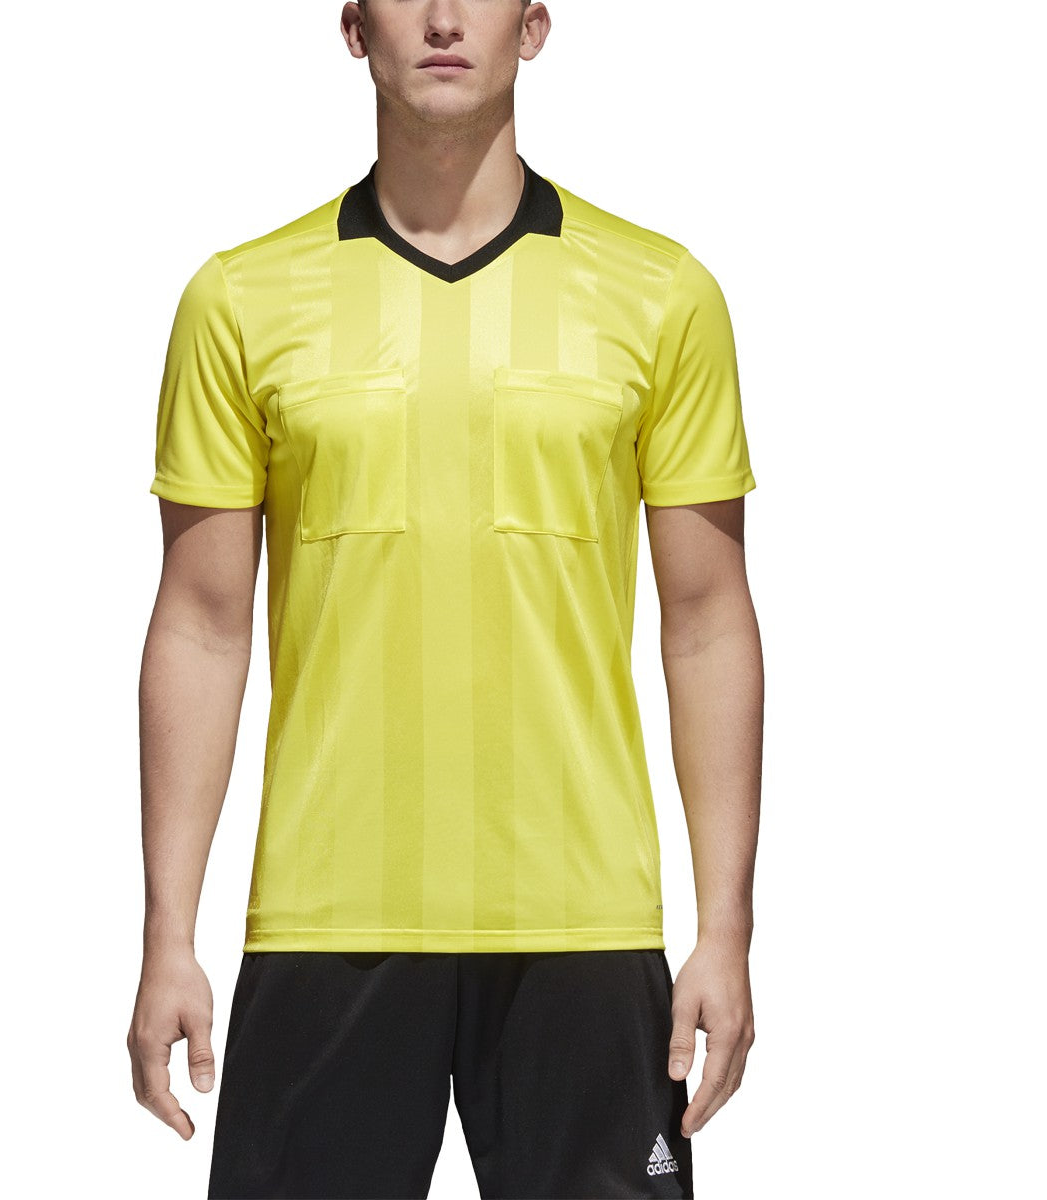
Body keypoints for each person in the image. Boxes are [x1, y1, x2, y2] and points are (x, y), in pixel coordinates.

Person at [128, 2, 762, 1197]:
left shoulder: (662, 294)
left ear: (533, 27)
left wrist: (724, 930)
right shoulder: (241, 300)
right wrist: (169, 935)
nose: (440, 17)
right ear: (352, 28)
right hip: (326, 919)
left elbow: (709, 621)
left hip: (582, 920)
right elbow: (202, 626)